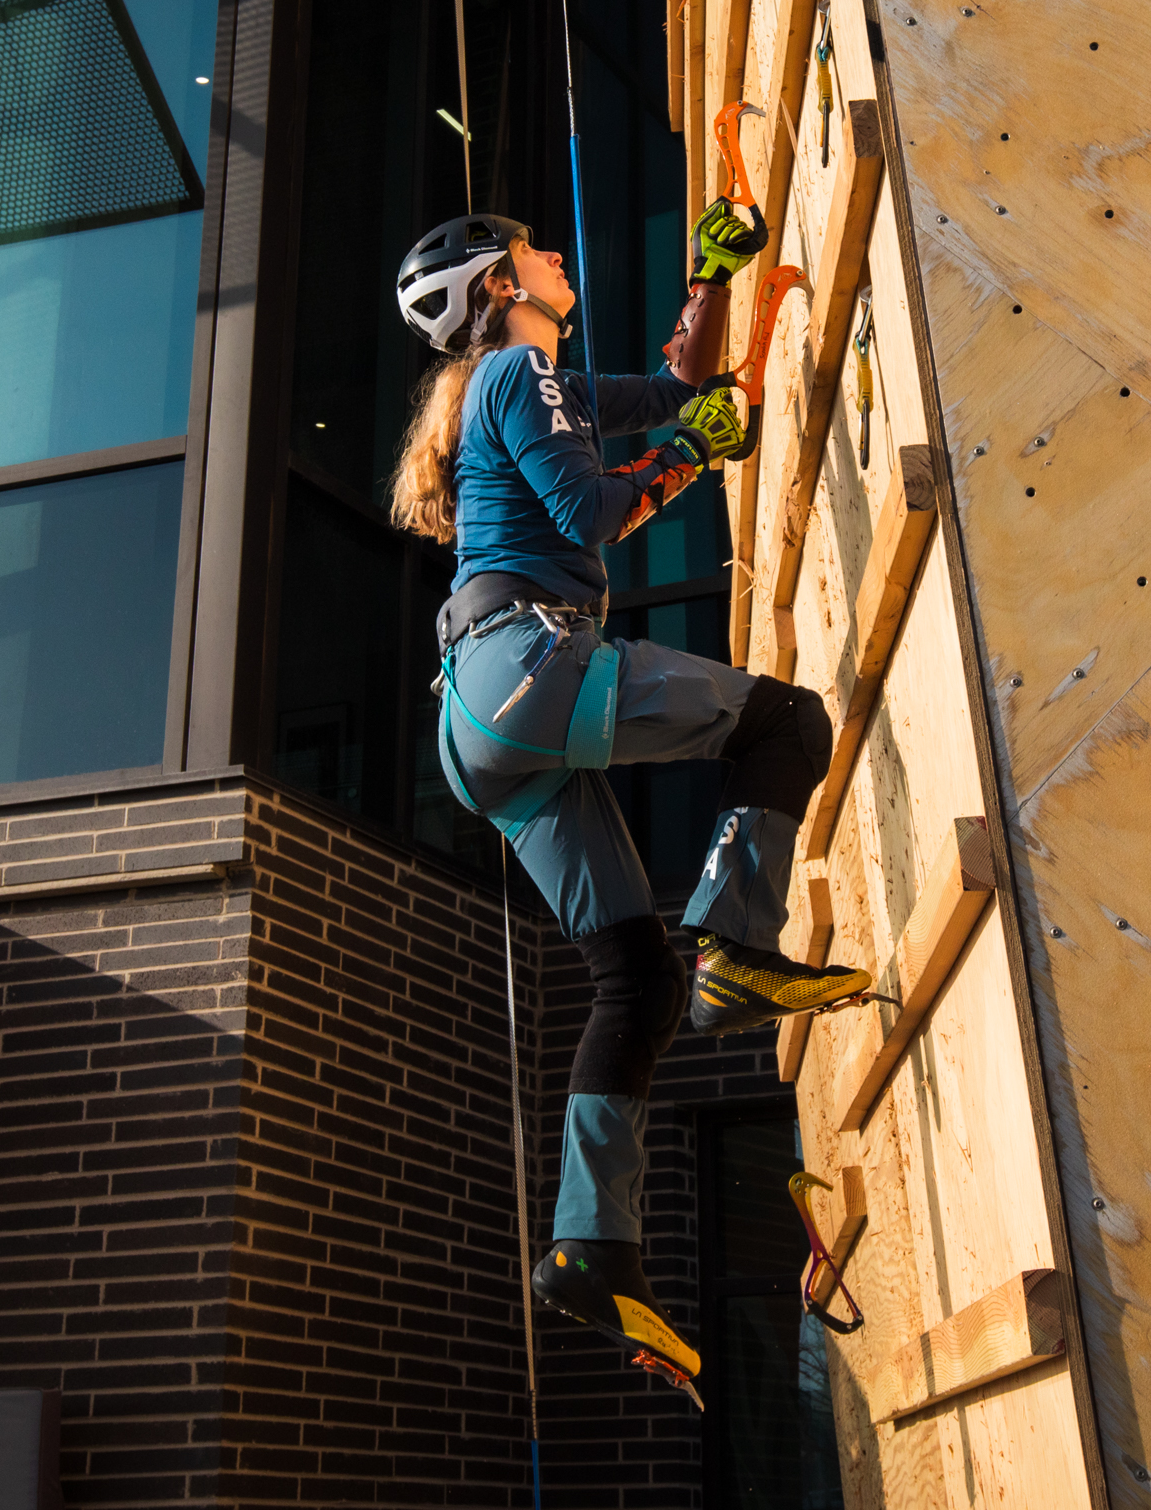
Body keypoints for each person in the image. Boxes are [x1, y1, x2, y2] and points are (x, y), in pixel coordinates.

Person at [387, 207, 873, 1393]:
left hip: (484, 723)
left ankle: (588, 1246)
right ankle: (738, 946)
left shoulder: (520, 382)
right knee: (786, 723)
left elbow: (671, 389)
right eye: (538, 247)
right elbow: (600, 512)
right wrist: (698, 455)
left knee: (633, 979)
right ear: (503, 279)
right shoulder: (516, 368)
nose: (561, 252)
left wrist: (708, 280)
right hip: (526, 667)